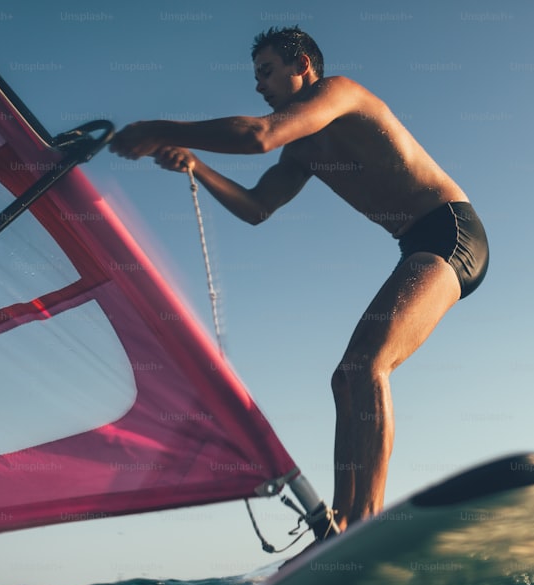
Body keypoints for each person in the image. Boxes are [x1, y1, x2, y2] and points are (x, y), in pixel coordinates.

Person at [110, 26, 488, 539]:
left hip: (452, 232)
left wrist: (163, 128)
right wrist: (196, 166)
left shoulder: (340, 93)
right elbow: (257, 208)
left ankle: (364, 523)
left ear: (303, 65)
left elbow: (258, 136)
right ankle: (339, 525)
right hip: (417, 245)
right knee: (345, 378)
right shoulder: (304, 152)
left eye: (266, 72)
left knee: (367, 366)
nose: (260, 86)